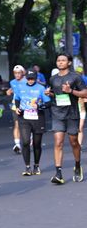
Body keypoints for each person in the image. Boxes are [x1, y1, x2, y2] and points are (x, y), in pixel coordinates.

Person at [45, 53, 87, 184]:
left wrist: (71, 91)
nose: (60, 62)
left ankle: (77, 165)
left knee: (74, 142)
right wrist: (50, 94)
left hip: (72, 113)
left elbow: (85, 93)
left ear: (69, 62)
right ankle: (58, 174)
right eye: (58, 60)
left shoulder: (76, 77)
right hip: (57, 113)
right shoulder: (53, 79)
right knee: (58, 142)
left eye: (63, 60)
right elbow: (55, 93)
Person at [14, 70, 50, 176]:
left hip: (38, 118)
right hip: (24, 118)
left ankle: (36, 165)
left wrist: (39, 106)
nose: (30, 80)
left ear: (36, 78)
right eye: (28, 78)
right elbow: (17, 99)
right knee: (25, 142)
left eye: (32, 78)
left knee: (36, 143)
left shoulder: (41, 88)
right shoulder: (20, 87)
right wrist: (17, 108)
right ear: (26, 78)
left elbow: (48, 103)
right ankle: (27, 167)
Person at [6, 65, 27, 154]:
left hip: (27, 106)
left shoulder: (27, 81)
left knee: (27, 124)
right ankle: (17, 144)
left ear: (23, 73)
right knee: (17, 124)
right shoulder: (12, 82)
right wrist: (9, 91)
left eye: (19, 73)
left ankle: (30, 138)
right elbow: (14, 89)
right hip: (16, 106)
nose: (17, 75)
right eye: (15, 73)